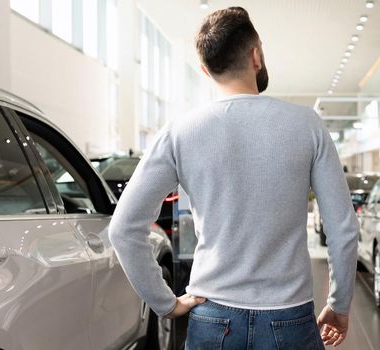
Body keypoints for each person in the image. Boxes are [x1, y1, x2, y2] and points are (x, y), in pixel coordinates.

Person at [108, 7, 359, 349]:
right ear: (256, 55)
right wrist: (339, 303)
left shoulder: (180, 132)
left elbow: (123, 228)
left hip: (212, 314)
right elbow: (342, 228)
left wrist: (164, 302)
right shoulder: (307, 125)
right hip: (289, 315)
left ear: (205, 69)